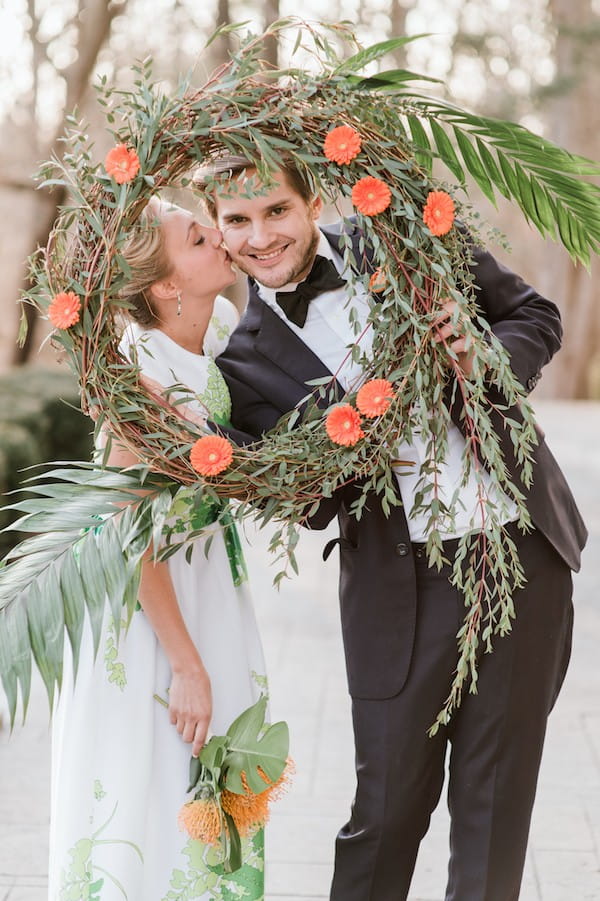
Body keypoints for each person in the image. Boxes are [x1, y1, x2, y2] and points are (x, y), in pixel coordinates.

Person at [195, 156, 588, 901]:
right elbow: (307, 504)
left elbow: (536, 315)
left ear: (313, 199)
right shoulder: (241, 366)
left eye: (275, 209)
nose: (261, 236)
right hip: (397, 591)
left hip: (520, 553)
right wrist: (334, 454)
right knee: (383, 814)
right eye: (237, 220)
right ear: (216, 229)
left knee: (495, 808)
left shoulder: (407, 240)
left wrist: (479, 356)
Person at [48, 199, 267, 901]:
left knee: (216, 775)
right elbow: (124, 528)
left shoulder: (225, 326)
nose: (222, 240)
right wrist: (185, 662)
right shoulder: (137, 368)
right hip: (148, 600)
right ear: (168, 287)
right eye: (200, 238)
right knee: (145, 778)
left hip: (210, 577)